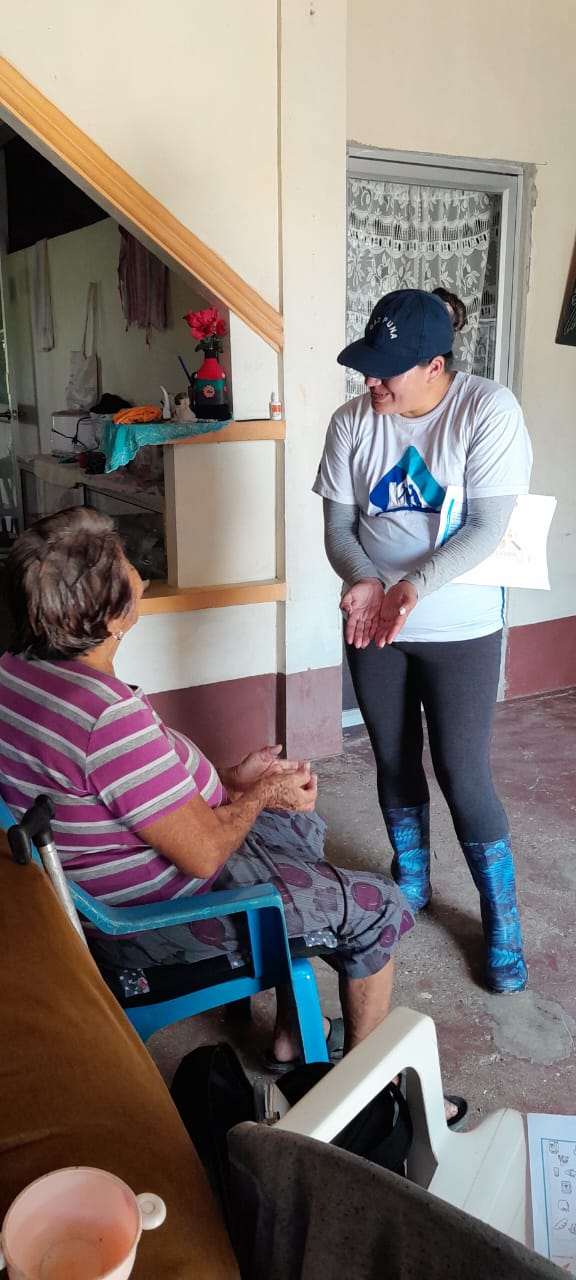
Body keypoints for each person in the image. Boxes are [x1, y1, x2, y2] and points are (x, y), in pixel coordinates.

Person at [0, 506, 413, 1069]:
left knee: (297, 827)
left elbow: (126, 789)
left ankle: (296, 1030)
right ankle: (370, 1085)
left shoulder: (19, 670)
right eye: (126, 565)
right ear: (111, 617)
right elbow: (203, 854)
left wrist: (230, 781)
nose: (138, 570)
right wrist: (260, 795)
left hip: (106, 885)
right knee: (376, 904)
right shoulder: (103, 717)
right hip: (149, 920)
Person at [313, 287, 532, 994]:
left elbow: (488, 527)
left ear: (435, 365)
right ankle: (412, 879)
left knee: (463, 773)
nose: (370, 381)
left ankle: (501, 917)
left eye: (387, 370)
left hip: (460, 625)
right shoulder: (352, 422)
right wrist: (364, 580)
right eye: (367, 367)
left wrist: (413, 586)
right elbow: (339, 528)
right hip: (373, 622)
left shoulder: (487, 411)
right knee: (393, 757)